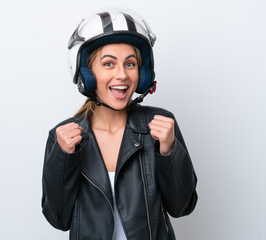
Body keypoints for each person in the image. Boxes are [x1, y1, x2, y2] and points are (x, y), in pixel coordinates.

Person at [42, 8, 197, 240]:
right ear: (86, 74)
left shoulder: (161, 126)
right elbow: (58, 219)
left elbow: (182, 207)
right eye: (108, 64)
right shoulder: (62, 137)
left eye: (130, 64)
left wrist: (168, 151)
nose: (122, 75)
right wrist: (64, 157)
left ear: (142, 74)